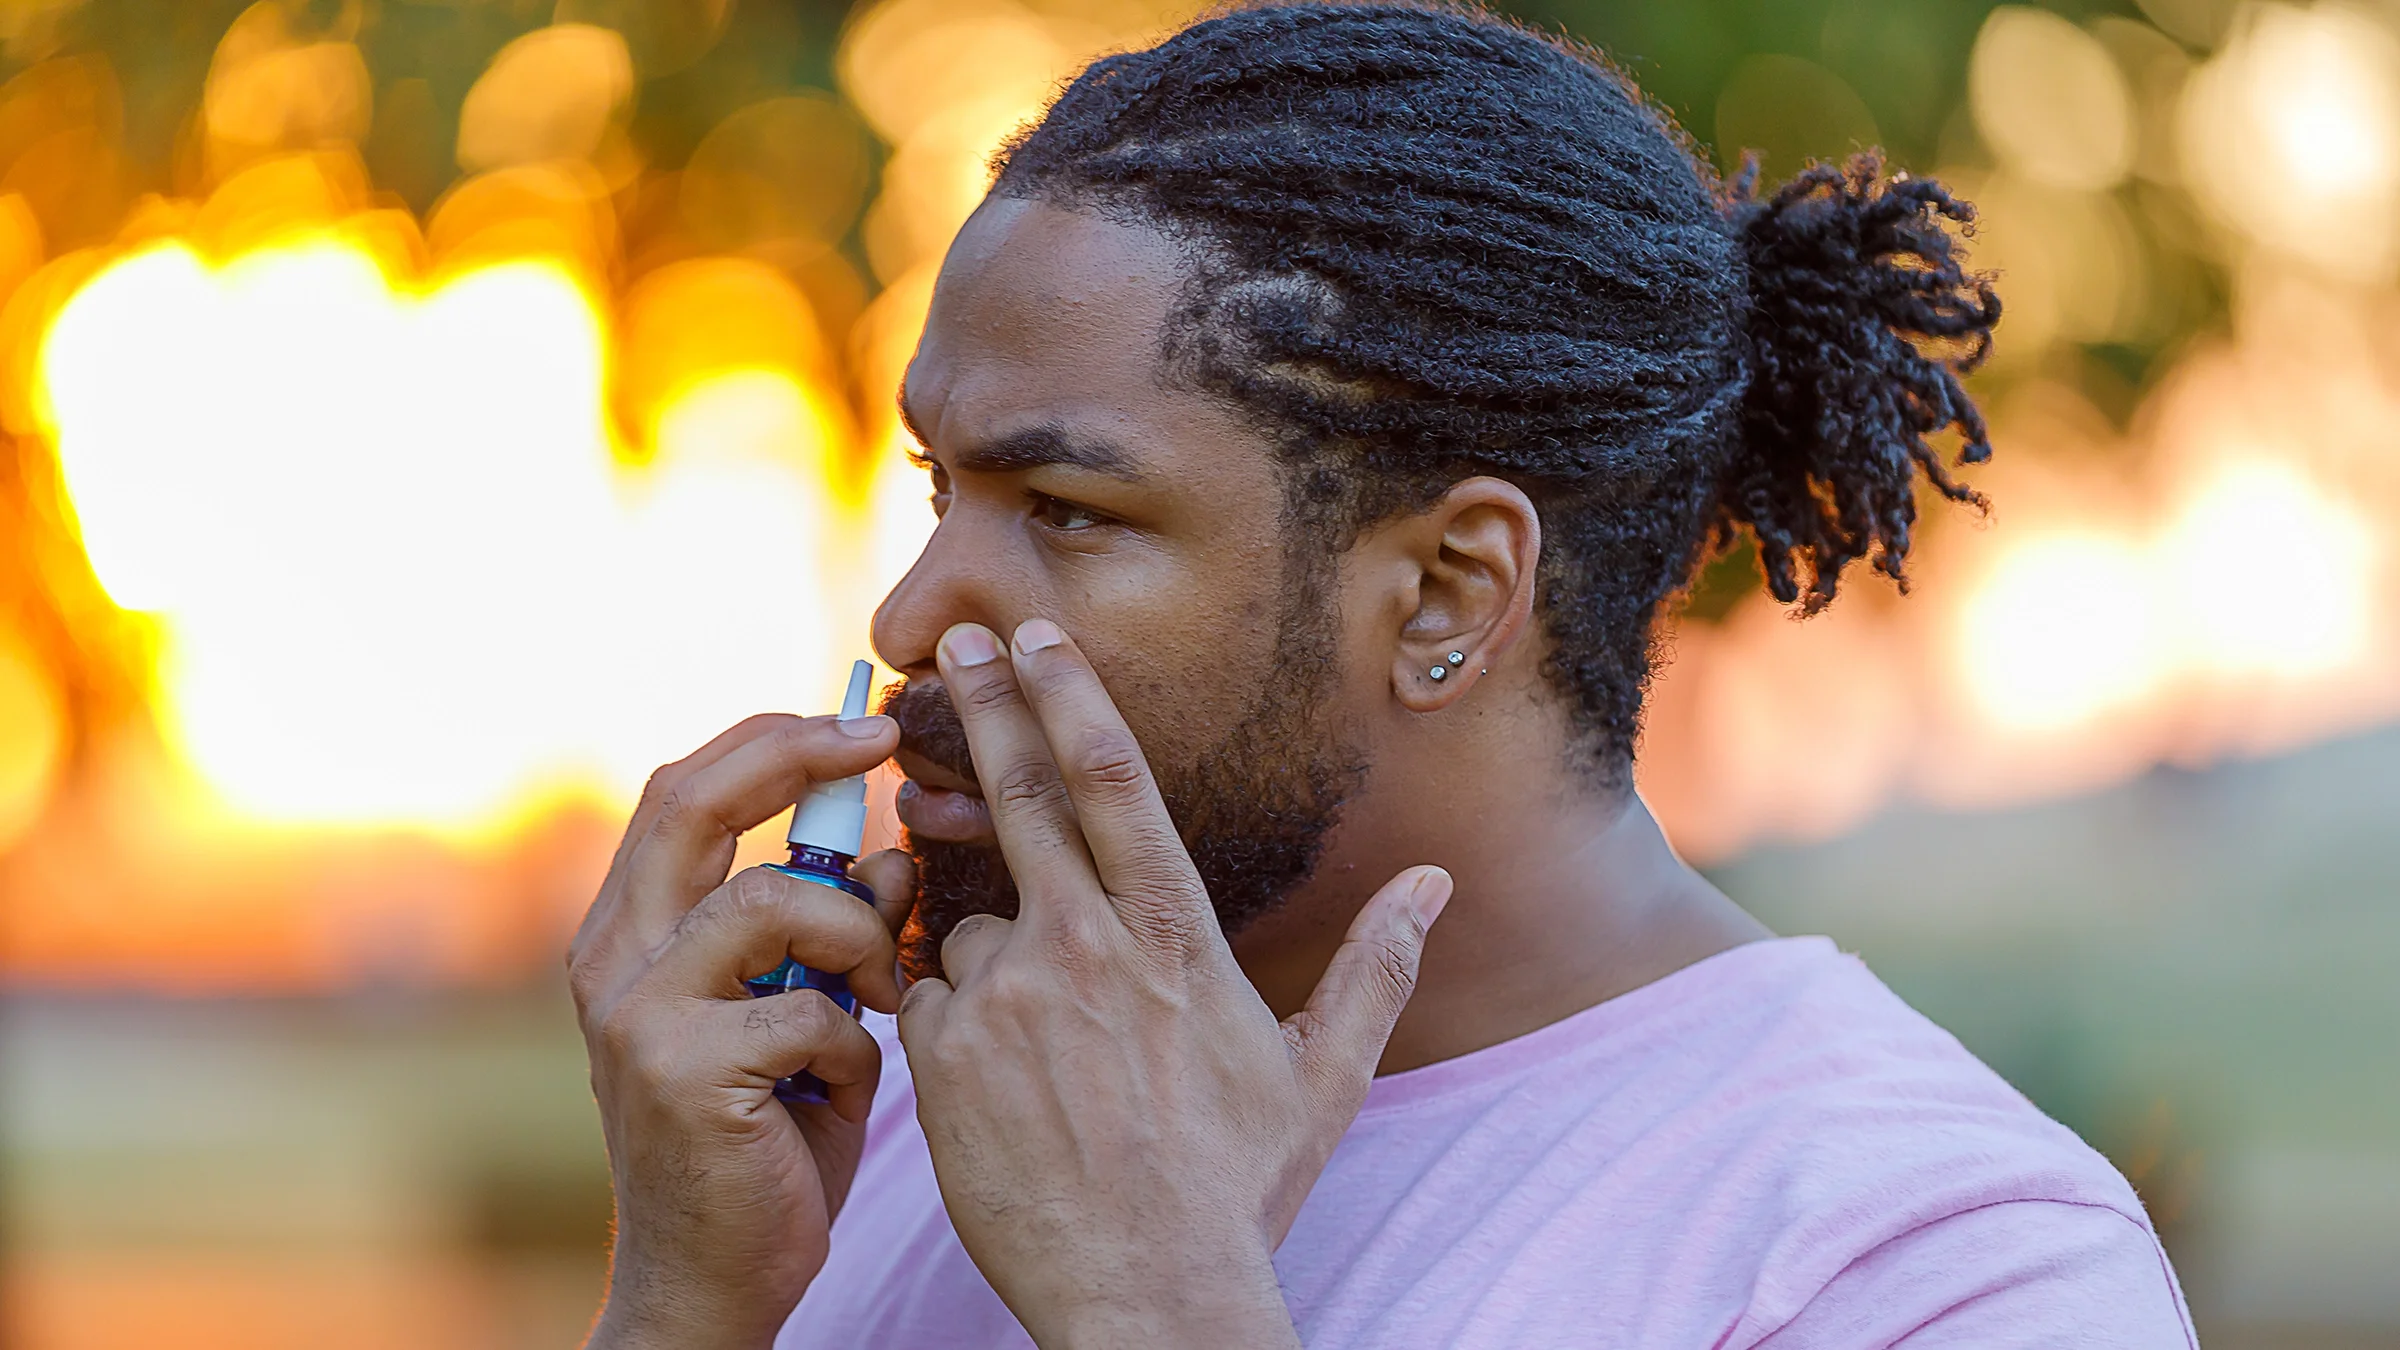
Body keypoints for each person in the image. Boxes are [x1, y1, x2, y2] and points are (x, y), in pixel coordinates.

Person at [566, 4, 2197, 1346]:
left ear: (1448, 592)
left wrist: (1162, 1311)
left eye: (1065, 509)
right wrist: (685, 1302)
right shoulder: (942, 1102)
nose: (916, 613)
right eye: (944, 491)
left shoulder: (1924, 1259)